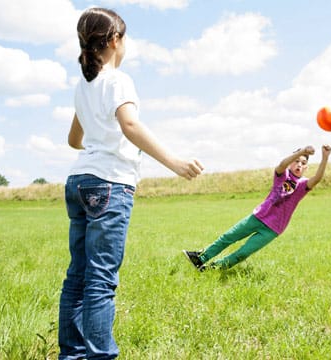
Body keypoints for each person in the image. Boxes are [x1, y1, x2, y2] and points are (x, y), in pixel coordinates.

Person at [59, 8, 204, 359]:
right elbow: (131, 126)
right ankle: (101, 355)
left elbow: (74, 139)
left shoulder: (84, 84)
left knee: (77, 277)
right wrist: (174, 162)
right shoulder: (118, 80)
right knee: (101, 281)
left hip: (79, 181)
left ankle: (72, 354)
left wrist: (99, 139)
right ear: (114, 40)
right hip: (110, 184)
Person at [184, 144, 331, 271]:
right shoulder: (282, 175)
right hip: (259, 216)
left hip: (273, 229)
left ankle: (212, 269)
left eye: (303, 163)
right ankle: (200, 258)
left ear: (306, 167)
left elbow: (317, 178)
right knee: (228, 237)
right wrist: (300, 152)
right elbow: (281, 165)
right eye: (296, 161)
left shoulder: (302, 185)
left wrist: (324, 157)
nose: (299, 164)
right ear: (291, 162)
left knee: (243, 253)